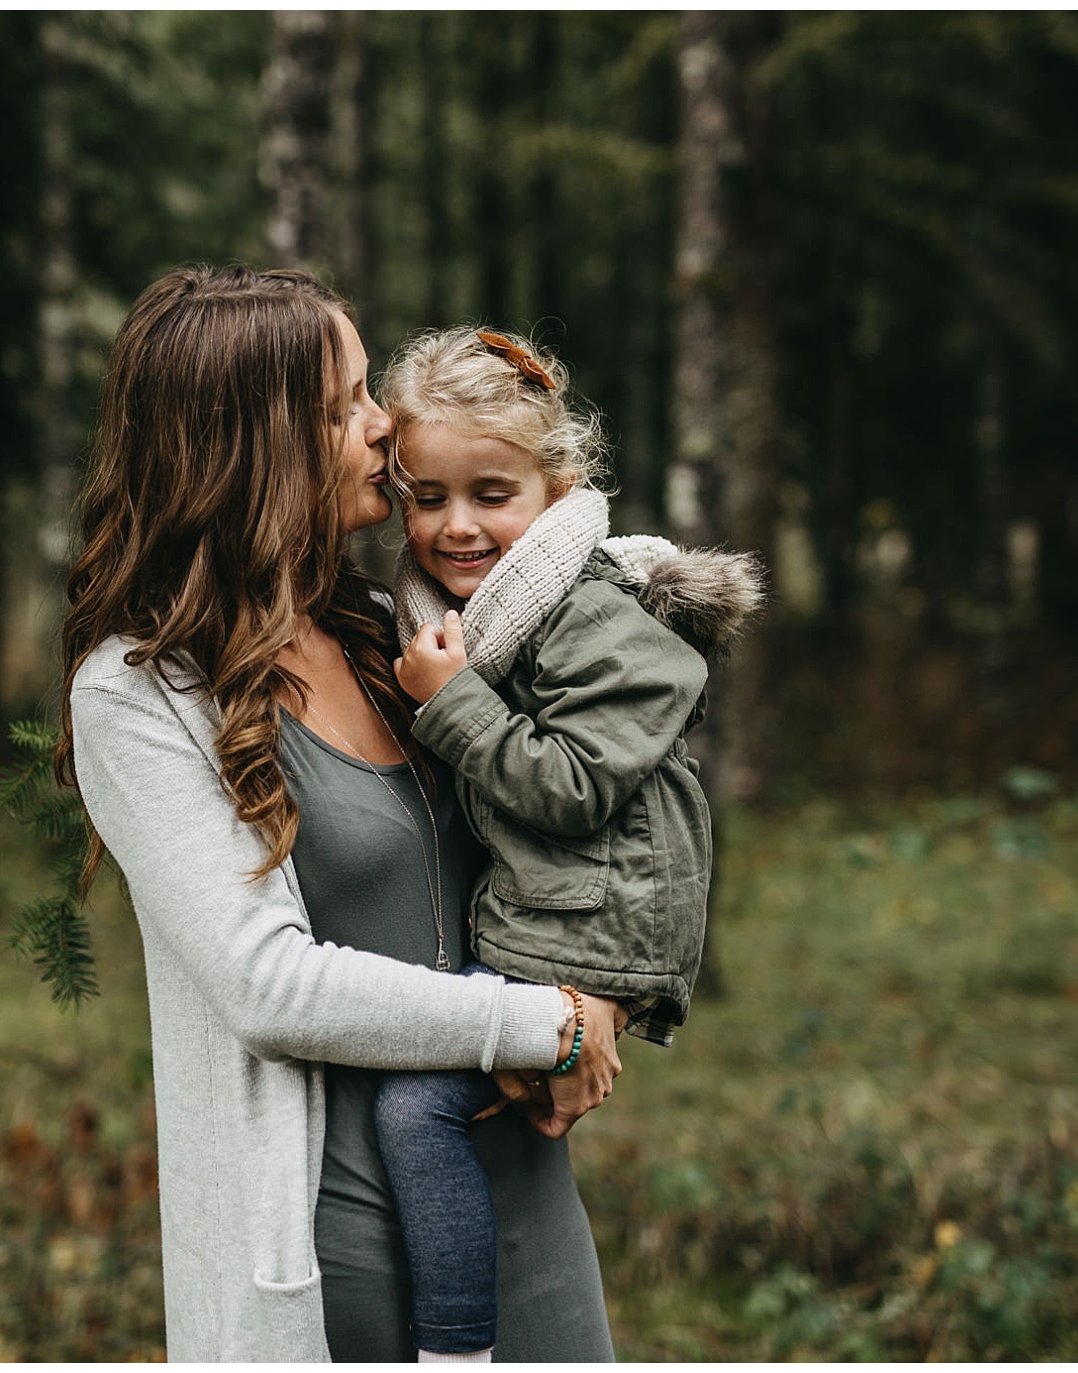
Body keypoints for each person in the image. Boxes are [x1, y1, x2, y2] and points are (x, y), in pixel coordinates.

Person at [56, 268, 623, 1363]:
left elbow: (565, 824)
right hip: (339, 1246)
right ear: (251, 442)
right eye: (346, 403)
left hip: (525, 1201)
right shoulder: (139, 693)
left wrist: (595, 991)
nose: (384, 428)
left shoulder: (387, 634)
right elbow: (265, 981)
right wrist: (535, 1021)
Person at [370, 326, 764, 1361]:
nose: (455, 526)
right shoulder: (484, 612)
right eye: (426, 496)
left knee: (415, 1114)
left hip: (592, 932)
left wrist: (449, 702)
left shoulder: (594, 617)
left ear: (556, 486)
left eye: (489, 493)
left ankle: (453, 1346)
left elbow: (574, 784)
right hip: (554, 915)